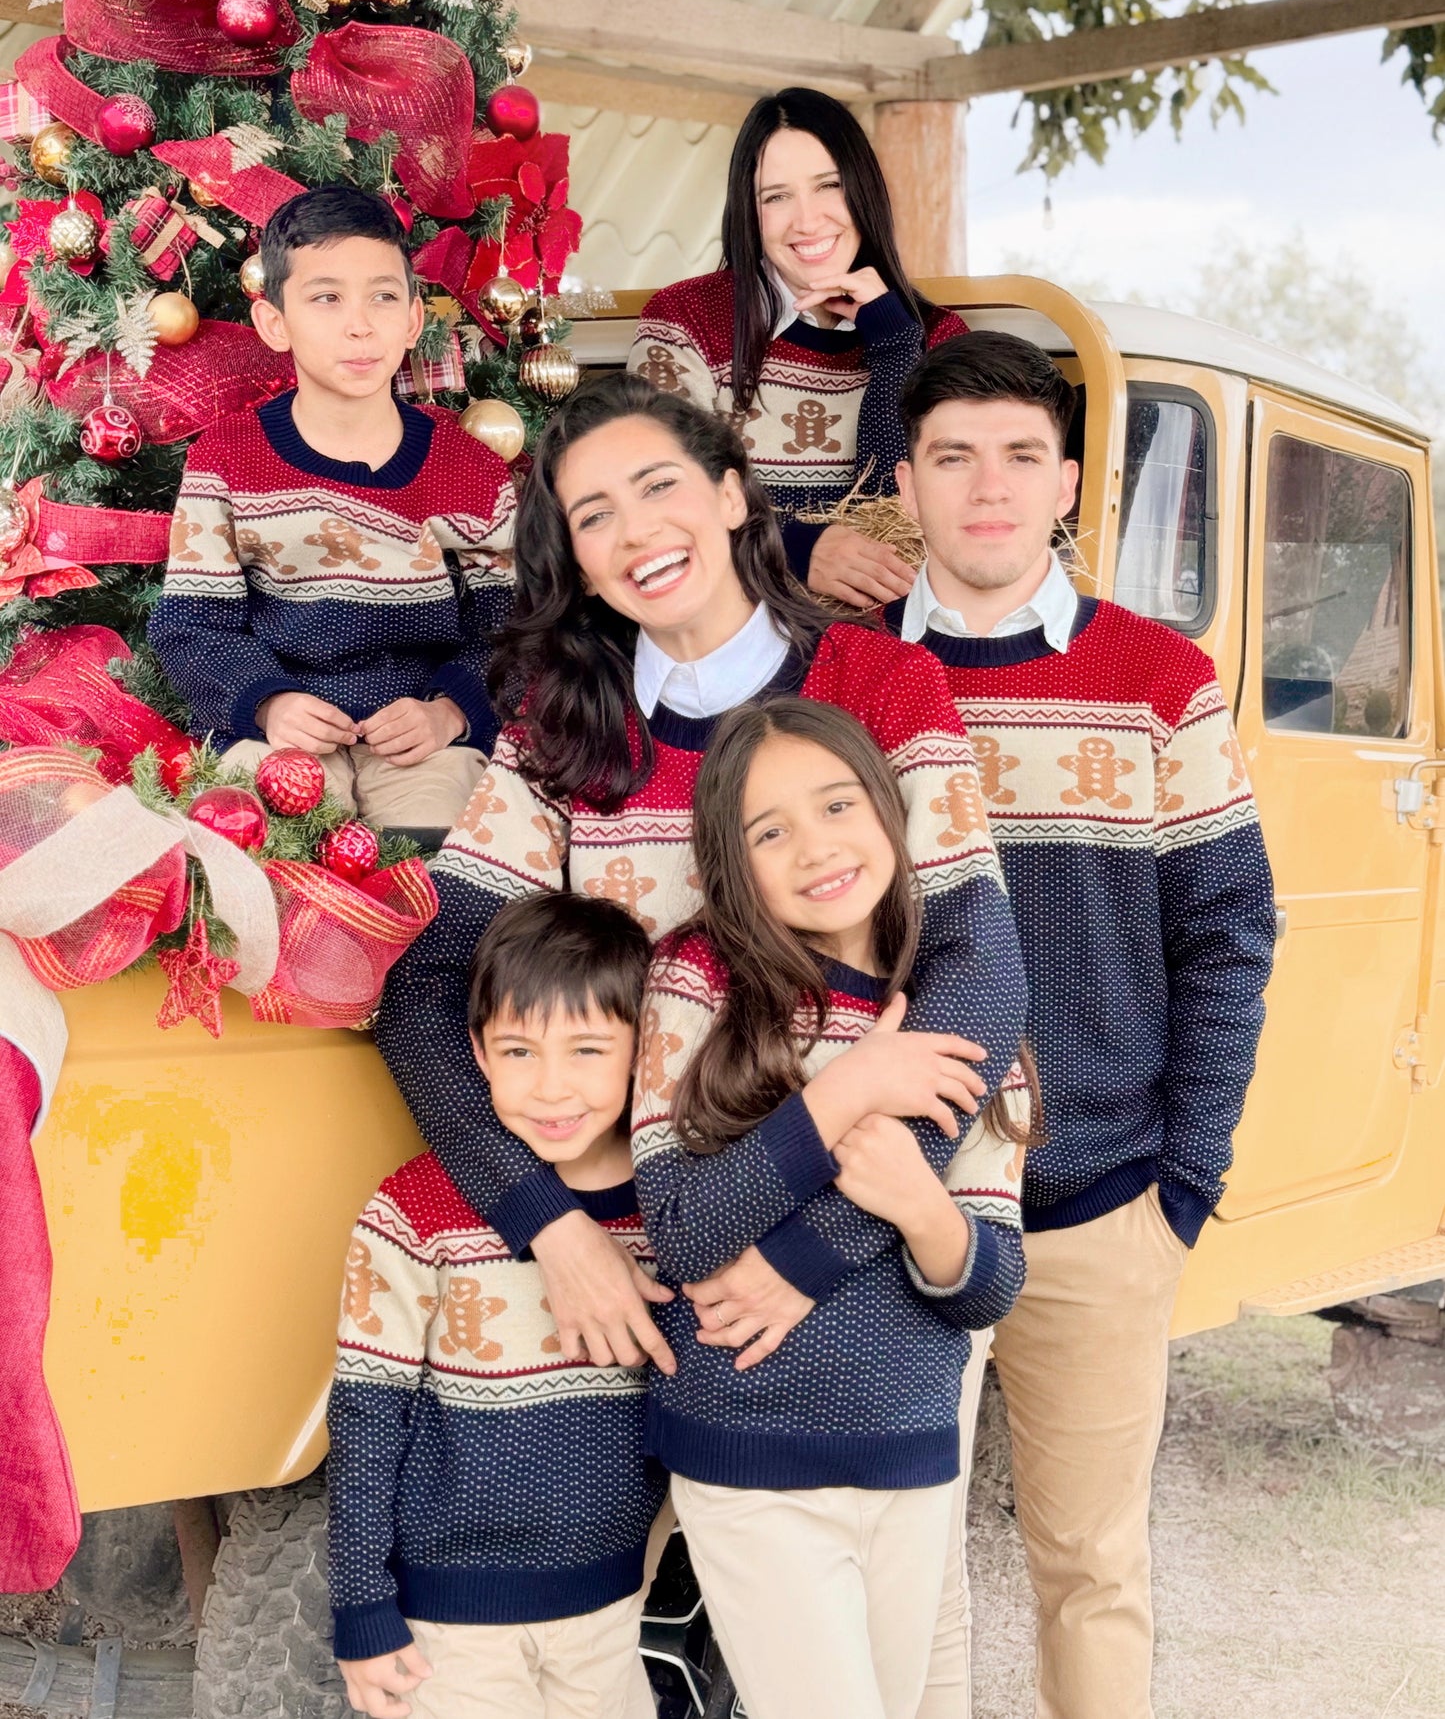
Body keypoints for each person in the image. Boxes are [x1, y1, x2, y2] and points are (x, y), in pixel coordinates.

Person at [374, 371, 1027, 1386]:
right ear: (579, 566)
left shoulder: (877, 683)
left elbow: (975, 969)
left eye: (659, 487)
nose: (636, 532)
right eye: (595, 516)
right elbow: (423, 992)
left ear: (729, 496)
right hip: (621, 1271)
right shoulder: (560, 730)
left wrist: (811, 1250)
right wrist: (553, 1228)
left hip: (851, 1248)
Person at [886, 331, 1276, 1719]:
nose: (985, 487)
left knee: (1089, 1560)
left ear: (1065, 482)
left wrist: (1184, 1182)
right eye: (951, 457)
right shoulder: (846, 684)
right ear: (906, 484)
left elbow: (1229, 933)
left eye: (1017, 454)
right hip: (886, 1208)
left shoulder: (1161, 678)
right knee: (894, 1565)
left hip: (1102, 1205)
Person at [633, 697, 1033, 1719]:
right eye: (770, 831)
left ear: (891, 820)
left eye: (837, 805)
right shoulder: (699, 982)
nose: (815, 847)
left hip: (905, 1454)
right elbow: (681, 1227)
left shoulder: (956, 1016)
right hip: (751, 1456)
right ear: (731, 861)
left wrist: (915, 1205)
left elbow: (989, 1280)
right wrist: (848, 1089)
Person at [326, 890, 667, 1719]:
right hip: (449, 1627)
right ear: (476, 1052)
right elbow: (367, 1419)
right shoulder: (416, 1213)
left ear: (642, 1053)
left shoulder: (670, 1210)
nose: (551, 1087)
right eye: (518, 1050)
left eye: (587, 1049)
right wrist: (360, 1608)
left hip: (611, 1608)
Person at [149, 184, 515, 832]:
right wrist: (268, 702)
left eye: (382, 295)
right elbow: (191, 625)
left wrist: (451, 710)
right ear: (274, 323)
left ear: (411, 319)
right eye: (326, 298)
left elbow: (514, 624)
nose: (359, 323)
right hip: (280, 732)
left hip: (417, 732)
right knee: (265, 845)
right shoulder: (227, 456)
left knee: (455, 851)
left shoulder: (470, 468)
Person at [626, 87, 967, 609]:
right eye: (776, 196)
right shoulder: (686, 320)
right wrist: (796, 548)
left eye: (828, 185)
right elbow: (656, 498)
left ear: (863, 189)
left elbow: (904, 513)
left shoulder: (938, 338)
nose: (806, 221)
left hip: (889, 646)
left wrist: (896, 349)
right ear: (749, 209)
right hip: (734, 637)